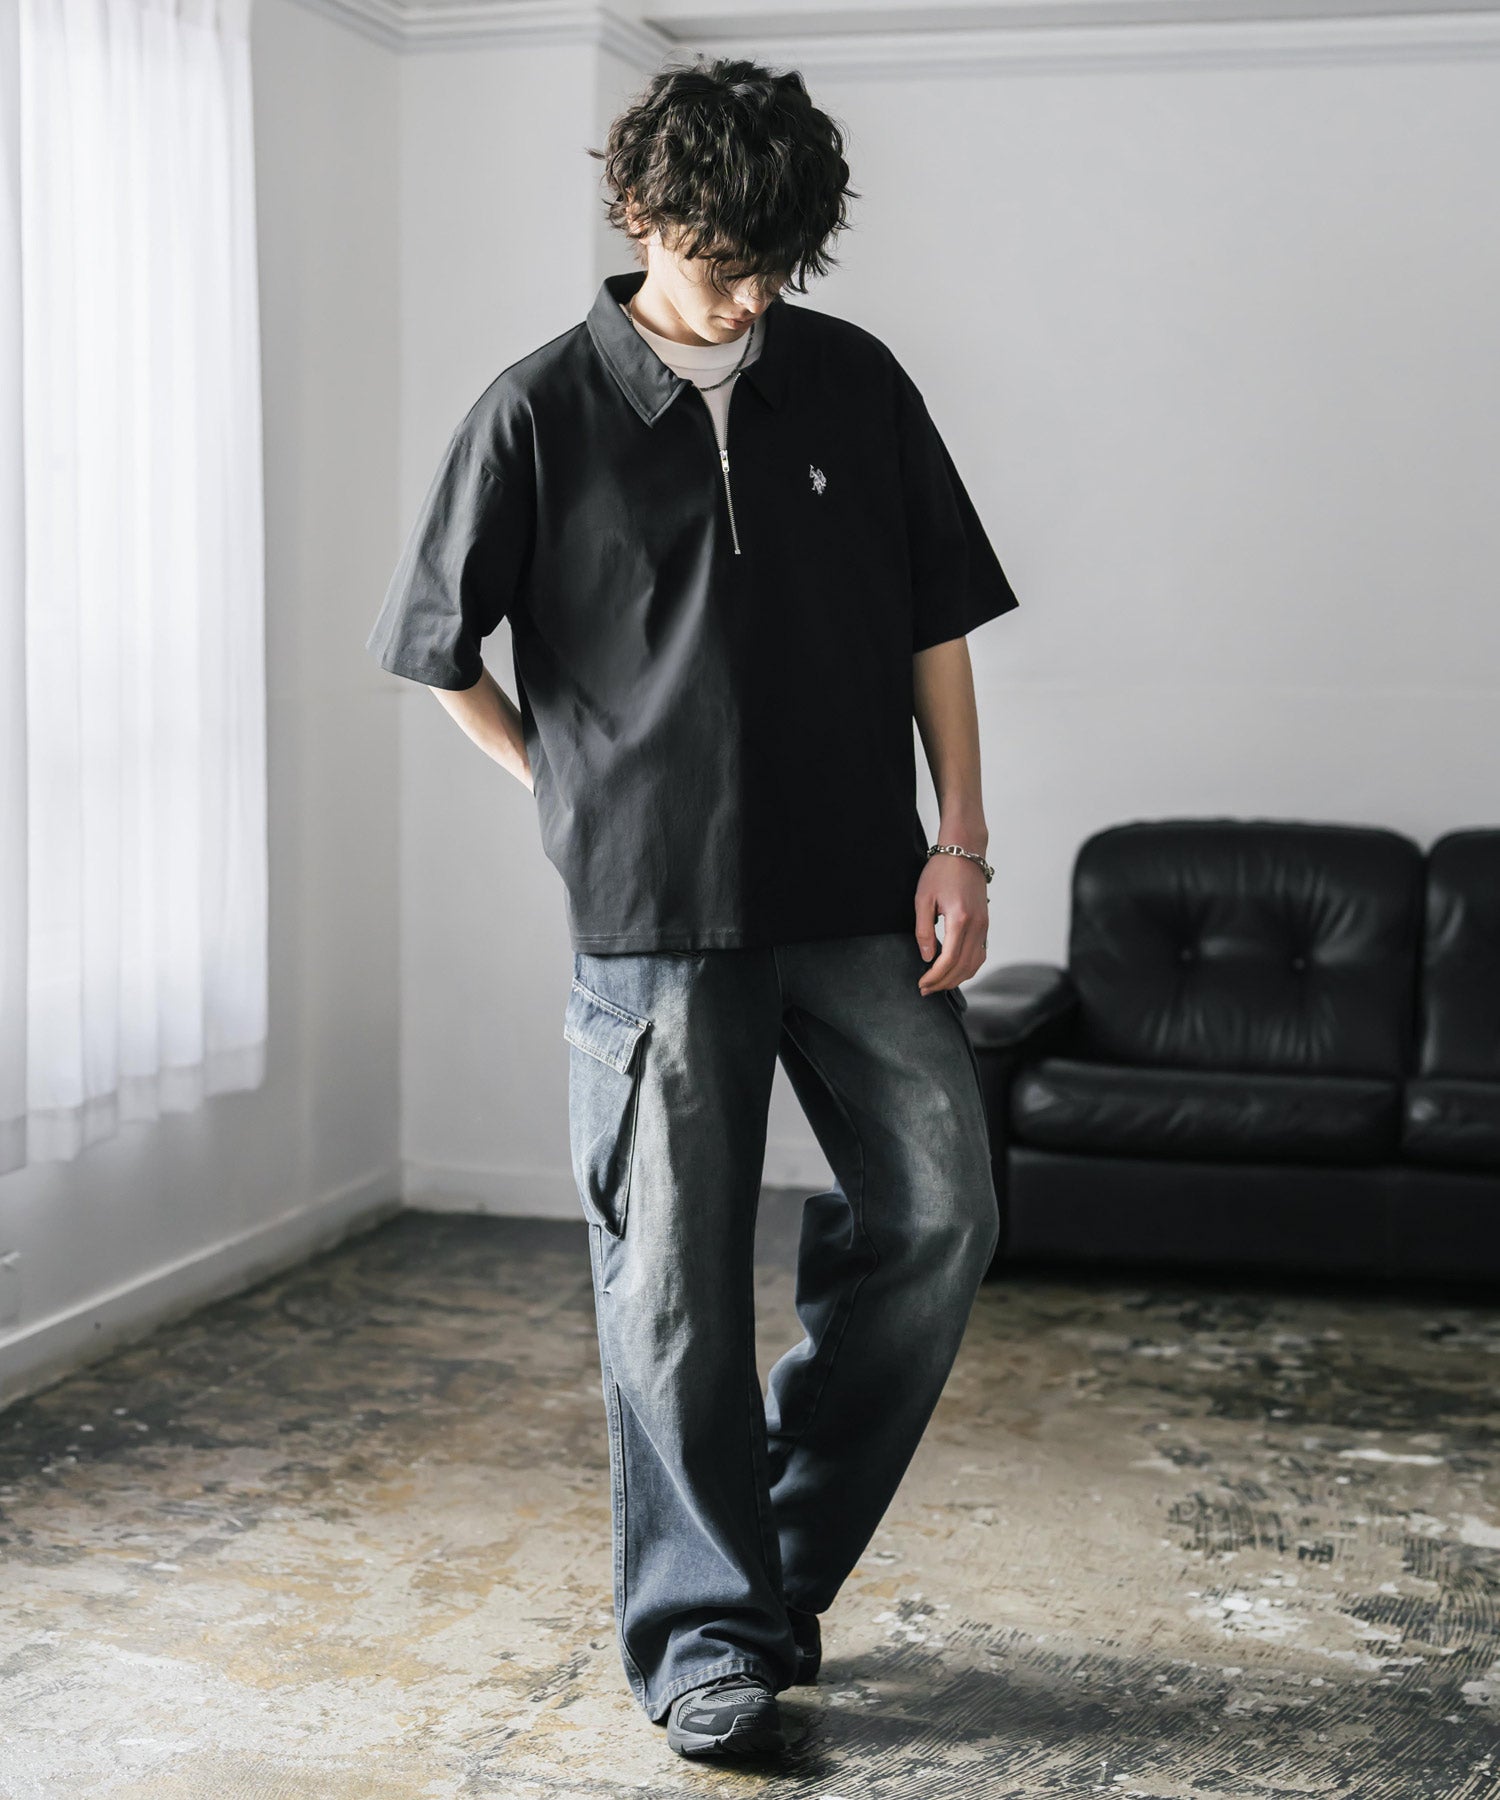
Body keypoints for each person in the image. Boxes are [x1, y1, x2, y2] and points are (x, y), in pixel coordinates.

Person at [365, 53, 1021, 1762]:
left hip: (858, 890)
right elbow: (439, 650)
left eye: (776, 267)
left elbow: (934, 621)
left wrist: (961, 838)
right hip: (653, 915)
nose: (748, 300)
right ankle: (707, 1640)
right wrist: (562, 789)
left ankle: (767, 1564)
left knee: (943, 1211)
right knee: (670, 1284)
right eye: (724, 262)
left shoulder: (854, 382)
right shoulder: (534, 413)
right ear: (642, 212)